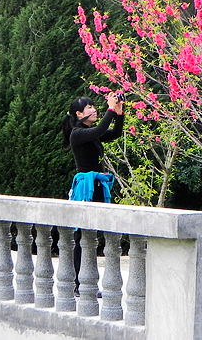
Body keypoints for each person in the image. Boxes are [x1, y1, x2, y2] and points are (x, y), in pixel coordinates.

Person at [62, 93, 125, 298]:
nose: (93, 109)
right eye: (89, 108)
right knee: (81, 236)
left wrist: (119, 112)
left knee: (92, 235)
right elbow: (100, 130)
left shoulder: (89, 131)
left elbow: (114, 133)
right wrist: (109, 109)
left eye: (93, 106)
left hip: (97, 185)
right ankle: (78, 283)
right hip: (85, 187)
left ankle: (85, 281)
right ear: (79, 114)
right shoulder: (77, 133)